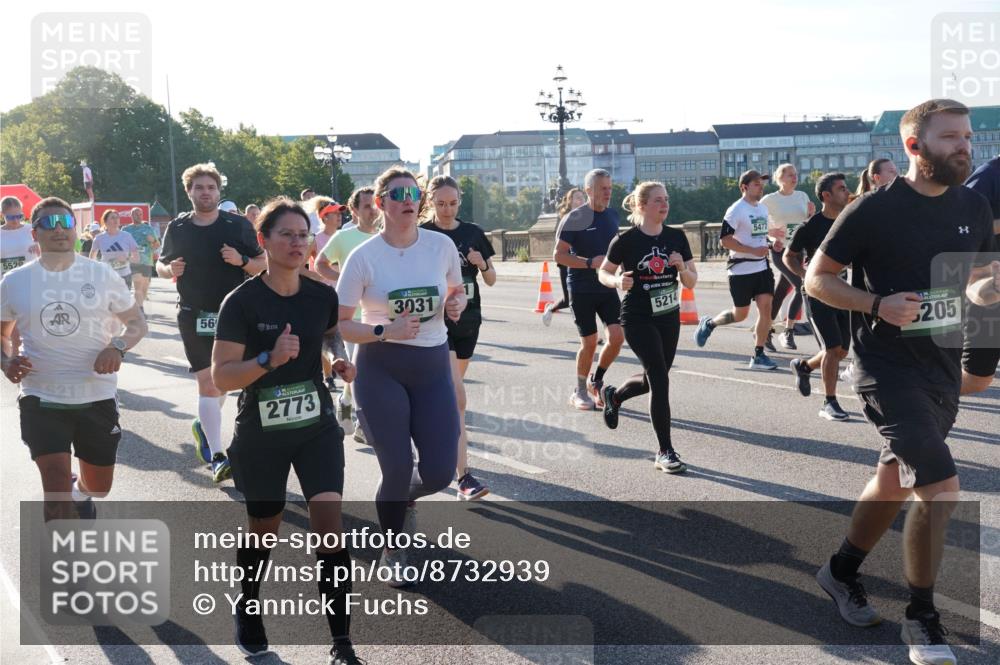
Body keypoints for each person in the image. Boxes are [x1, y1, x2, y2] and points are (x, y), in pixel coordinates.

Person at [806, 99, 999, 665]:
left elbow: (976, 288)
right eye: (951, 138)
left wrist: (990, 300)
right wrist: (875, 303)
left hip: (938, 372)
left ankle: (839, 572)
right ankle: (923, 619)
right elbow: (818, 279)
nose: (965, 146)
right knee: (939, 488)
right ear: (915, 147)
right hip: (884, 369)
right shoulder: (872, 210)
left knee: (892, 481)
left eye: (967, 137)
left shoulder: (975, 205)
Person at [211, 198, 362, 664]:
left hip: (315, 425)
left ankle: (341, 642)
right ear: (264, 240)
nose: (298, 243)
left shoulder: (321, 294)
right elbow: (221, 376)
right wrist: (267, 359)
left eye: (304, 235)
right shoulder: (241, 302)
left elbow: (330, 333)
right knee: (265, 527)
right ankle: (249, 602)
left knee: (330, 530)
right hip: (260, 429)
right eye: (287, 235)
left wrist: (333, 358)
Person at [336, 166, 466, 585]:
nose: (408, 199)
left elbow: (455, 290)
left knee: (439, 474)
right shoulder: (364, 257)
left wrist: (455, 305)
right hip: (381, 368)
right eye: (398, 194)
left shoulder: (441, 246)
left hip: (431, 369)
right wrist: (382, 331)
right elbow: (341, 324)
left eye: (414, 192)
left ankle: (400, 501)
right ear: (381, 203)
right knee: (396, 467)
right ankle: (392, 547)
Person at [1, 197, 147, 521]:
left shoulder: (102, 275)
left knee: (99, 486)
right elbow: (1, 333)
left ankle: (81, 493)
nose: (59, 230)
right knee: (54, 489)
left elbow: (138, 324)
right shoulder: (14, 282)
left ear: (75, 229)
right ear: (34, 233)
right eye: (49, 224)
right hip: (41, 395)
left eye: (65, 223)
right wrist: (6, 361)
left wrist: (117, 347)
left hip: (96, 395)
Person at [157, 163, 266, 482]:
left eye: (211, 187)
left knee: (226, 383)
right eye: (199, 187)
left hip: (235, 314)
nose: (206, 192)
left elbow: (263, 265)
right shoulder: (178, 228)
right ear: (189, 191)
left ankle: (204, 426)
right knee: (208, 382)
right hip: (193, 313)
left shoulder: (237, 226)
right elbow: (160, 266)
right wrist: (169, 270)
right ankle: (219, 456)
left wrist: (242, 260)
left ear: (219, 191)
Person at [598, 182, 697, 473]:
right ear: (641, 206)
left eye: (666, 199)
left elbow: (692, 281)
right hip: (637, 316)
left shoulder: (677, 237)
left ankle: (614, 397)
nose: (664, 205)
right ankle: (665, 450)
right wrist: (617, 281)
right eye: (657, 201)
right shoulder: (626, 241)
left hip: (668, 314)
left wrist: (681, 268)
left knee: (655, 377)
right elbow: (603, 271)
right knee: (659, 379)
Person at [420, 175, 497, 500]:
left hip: (469, 321)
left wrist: (482, 265)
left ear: (459, 201)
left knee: (449, 397)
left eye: (452, 203)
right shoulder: (424, 234)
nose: (447, 209)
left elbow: (492, 280)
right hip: (438, 323)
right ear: (430, 203)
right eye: (440, 204)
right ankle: (464, 476)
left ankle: (435, 435)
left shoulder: (473, 233)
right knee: (458, 397)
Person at [554, 169, 625, 410]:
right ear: (588, 191)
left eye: (610, 188)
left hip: (606, 286)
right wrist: (588, 262)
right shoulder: (575, 218)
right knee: (590, 341)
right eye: (602, 189)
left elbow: (618, 248)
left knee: (617, 337)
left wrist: (624, 272)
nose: (607, 193)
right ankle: (580, 390)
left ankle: (597, 380)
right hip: (581, 287)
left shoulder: (613, 215)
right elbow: (559, 255)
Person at [694, 169, 778, 370]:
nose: (761, 187)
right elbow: (725, 240)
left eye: (762, 183)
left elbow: (762, 235)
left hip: (762, 268)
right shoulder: (736, 210)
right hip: (740, 271)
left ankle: (758, 354)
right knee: (740, 315)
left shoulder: (762, 209)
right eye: (757, 184)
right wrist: (751, 250)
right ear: (744, 187)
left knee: (766, 309)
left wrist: (772, 242)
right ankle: (710, 323)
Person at [784, 173, 852, 420]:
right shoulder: (810, 226)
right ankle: (829, 402)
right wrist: (807, 276)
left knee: (843, 350)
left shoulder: (849, 222)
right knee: (832, 348)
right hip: (817, 293)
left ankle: (803, 366)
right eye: (842, 189)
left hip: (843, 292)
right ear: (826, 195)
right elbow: (788, 257)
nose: (847, 192)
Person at [316, 186, 378, 441]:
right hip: (352, 318)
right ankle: (362, 422)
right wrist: (346, 279)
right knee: (359, 370)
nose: (373, 210)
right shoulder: (343, 238)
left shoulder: (388, 236)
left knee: (373, 372)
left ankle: (346, 399)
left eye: (375, 204)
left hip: (381, 317)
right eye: (366, 206)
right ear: (354, 210)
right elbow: (320, 264)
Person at [761, 164, 814, 350]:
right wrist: (771, 234)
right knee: (802, 285)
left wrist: (810, 215)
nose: (794, 177)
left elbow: (805, 223)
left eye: (796, 174)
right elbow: (757, 222)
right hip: (780, 250)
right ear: (780, 178)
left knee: (782, 290)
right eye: (790, 175)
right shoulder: (769, 200)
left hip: (797, 250)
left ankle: (765, 331)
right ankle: (788, 331)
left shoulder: (802, 196)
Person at [961, 153, 1000, 395]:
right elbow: (964, 224)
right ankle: (918, 397)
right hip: (989, 289)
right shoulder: (989, 175)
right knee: (977, 378)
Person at [309, 197, 348, 392]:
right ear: (324, 218)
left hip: (342, 294)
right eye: (335, 214)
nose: (340, 216)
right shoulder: (315, 240)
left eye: (340, 213)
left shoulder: (344, 237)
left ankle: (345, 370)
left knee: (343, 336)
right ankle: (327, 376)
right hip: (320, 296)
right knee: (325, 337)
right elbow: (300, 269)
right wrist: (319, 278)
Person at [543, 188, 586, 327]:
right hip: (566, 263)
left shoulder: (589, 217)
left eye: (582, 197)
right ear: (570, 201)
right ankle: (550, 308)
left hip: (584, 263)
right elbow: (560, 246)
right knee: (569, 300)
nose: (581, 200)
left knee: (589, 298)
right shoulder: (566, 219)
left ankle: (591, 332)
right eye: (577, 198)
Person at [123, 207, 161, 313]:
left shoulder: (148, 229)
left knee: (144, 289)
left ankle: (137, 305)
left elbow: (157, 245)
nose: (138, 216)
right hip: (133, 261)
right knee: (138, 286)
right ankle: (139, 310)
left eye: (140, 214)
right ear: (131, 215)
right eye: (136, 214)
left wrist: (153, 240)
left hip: (147, 261)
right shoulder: (126, 230)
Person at [90, 210, 140, 290]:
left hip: (124, 276)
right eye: (112, 218)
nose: (116, 220)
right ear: (105, 222)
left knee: (123, 302)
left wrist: (126, 259)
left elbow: (137, 259)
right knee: (107, 302)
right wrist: (96, 270)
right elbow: (92, 258)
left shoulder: (127, 236)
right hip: (106, 276)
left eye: (117, 218)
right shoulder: (99, 238)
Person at [1, 196, 38, 276]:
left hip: (30, 278)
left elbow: (50, 246)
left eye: (19, 216)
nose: (15, 220)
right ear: (2, 214)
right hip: (4, 282)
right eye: (11, 217)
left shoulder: (32, 229)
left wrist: (39, 245)